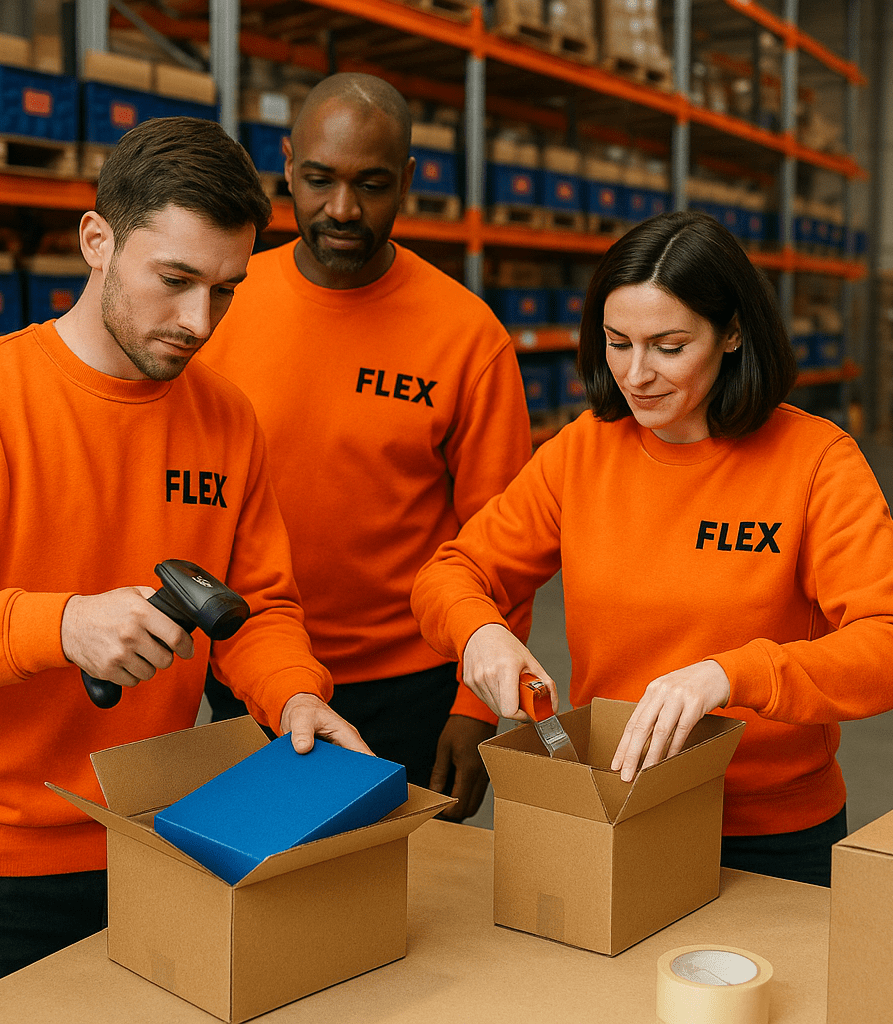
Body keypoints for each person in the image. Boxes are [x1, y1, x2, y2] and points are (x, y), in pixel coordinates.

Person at [0, 116, 369, 1013]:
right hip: (2, 864)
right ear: (97, 241)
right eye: (176, 281)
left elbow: (258, 605)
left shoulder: (226, 419)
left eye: (226, 290)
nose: (199, 322)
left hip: (166, 837)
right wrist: (61, 625)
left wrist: (294, 694)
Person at [411, 209, 893, 886]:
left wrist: (733, 676)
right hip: (614, 809)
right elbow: (452, 573)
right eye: (617, 342)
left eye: (669, 346)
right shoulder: (582, 453)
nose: (637, 373)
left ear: (733, 331)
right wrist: (479, 633)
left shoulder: (815, 459)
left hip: (770, 831)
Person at [198, 73, 532, 820]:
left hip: (409, 688)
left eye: (371, 184)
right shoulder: (219, 309)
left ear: (409, 180)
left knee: (400, 915)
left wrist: (477, 708)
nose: (342, 209)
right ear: (286, 164)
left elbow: (503, 545)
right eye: (318, 180)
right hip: (247, 671)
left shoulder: (466, 338)